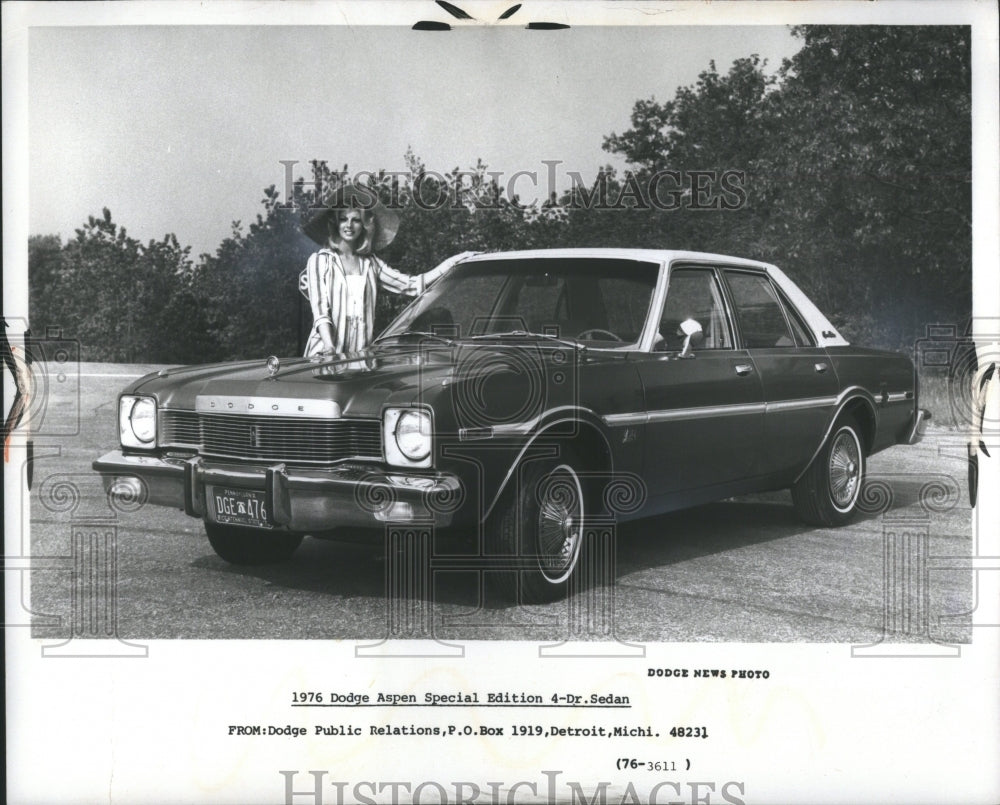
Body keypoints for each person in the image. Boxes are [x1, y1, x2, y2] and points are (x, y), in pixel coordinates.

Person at [299, 184, 473, 357]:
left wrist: (455, 260)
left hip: (358, 359)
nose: (349, 225)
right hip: (324, 356)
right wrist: (329, 347)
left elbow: (412, 285)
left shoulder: (371, 264)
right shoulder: (320, 261)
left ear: (365, 225)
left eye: (356, 220)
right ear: (335, 223)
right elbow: (320, 312)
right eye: (343, 219)